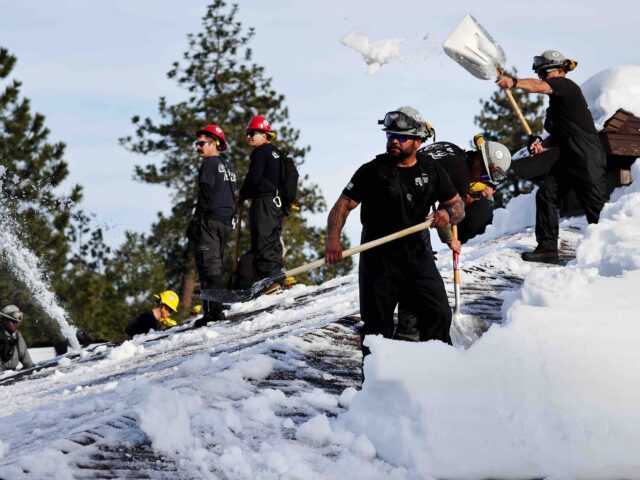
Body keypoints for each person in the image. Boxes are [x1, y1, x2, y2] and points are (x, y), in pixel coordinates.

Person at [325, 106, 465, 354]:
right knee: (377, 330)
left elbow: (458, 205)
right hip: (379, 260)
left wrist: (448, 214)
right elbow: (343, 205)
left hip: (418, 257)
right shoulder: (373, 171)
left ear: (418, 141)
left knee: (439, 315)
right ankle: (375, 389)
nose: (394, 142)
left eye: (401, 137)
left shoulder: (431, 170)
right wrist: (333, 241)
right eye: (390, 136)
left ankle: (440, 372)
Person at [396, 136, 511, 341]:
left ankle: (410, 326)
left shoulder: (456, 153)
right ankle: (408, 331)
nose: (484, 181)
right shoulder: (460, 174)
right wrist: (451, 240)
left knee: (416, 265)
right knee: (418, 268)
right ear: (477, 160)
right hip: (404, 206)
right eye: (485, 175)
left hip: (404, 195)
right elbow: (442, 217)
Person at [497, 50, 607, 263]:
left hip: (587, 156)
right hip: (568, 157)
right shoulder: (557, 104)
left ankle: (606, 251)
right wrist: (541, 145)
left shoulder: (565, 86)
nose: (541, 78)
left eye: (542, 73)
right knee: (546, 193)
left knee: (596, 208)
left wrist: (514, 82)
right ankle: (547, 248)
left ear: (553, 70)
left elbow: (540, 87)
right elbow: (558, 135)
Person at [186, 124, 237, 325]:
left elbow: (205, 194)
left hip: (211, 221)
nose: (198, 147)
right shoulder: (229, 167)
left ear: (214, 143)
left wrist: (196, 220)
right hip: (225, 222)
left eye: (202, 143)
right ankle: (216, 308)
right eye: (196, 144)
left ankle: (213, 313)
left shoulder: (209, 165)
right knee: (214, 262)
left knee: (208, 264)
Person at [239, 115, 286, 294]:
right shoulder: (276, 152)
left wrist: (242, 194)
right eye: (248, 133)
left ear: (265, 135)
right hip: (276, 203)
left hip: (264, 202)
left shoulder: (260, 152)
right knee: (272, 238)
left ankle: (270, 280)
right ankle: (272, 277)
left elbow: (253, 179)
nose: (250, 136)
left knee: (263, 239)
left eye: (254, 133)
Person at [1, 305, 34, 370]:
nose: (15, 324)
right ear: (4, 320)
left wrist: (30, 366)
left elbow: (24, 354)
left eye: (16, 322)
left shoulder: (17, 334)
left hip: (11, 373)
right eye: (12, 322)